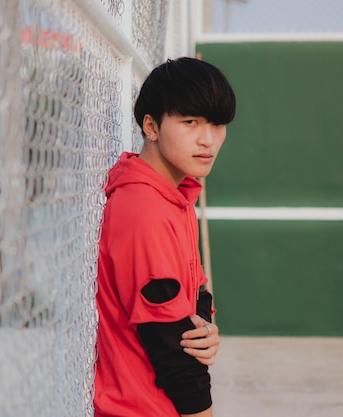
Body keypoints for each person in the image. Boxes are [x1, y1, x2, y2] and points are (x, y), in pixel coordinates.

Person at [93, 57, 236, 417]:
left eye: (217, 124)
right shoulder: (143, 209)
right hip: (139, 407)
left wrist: (203, 328)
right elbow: (170, 346)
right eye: (190, 122)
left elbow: (195, 291)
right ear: (151, 127)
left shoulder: (175, 195)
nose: (208, 140)